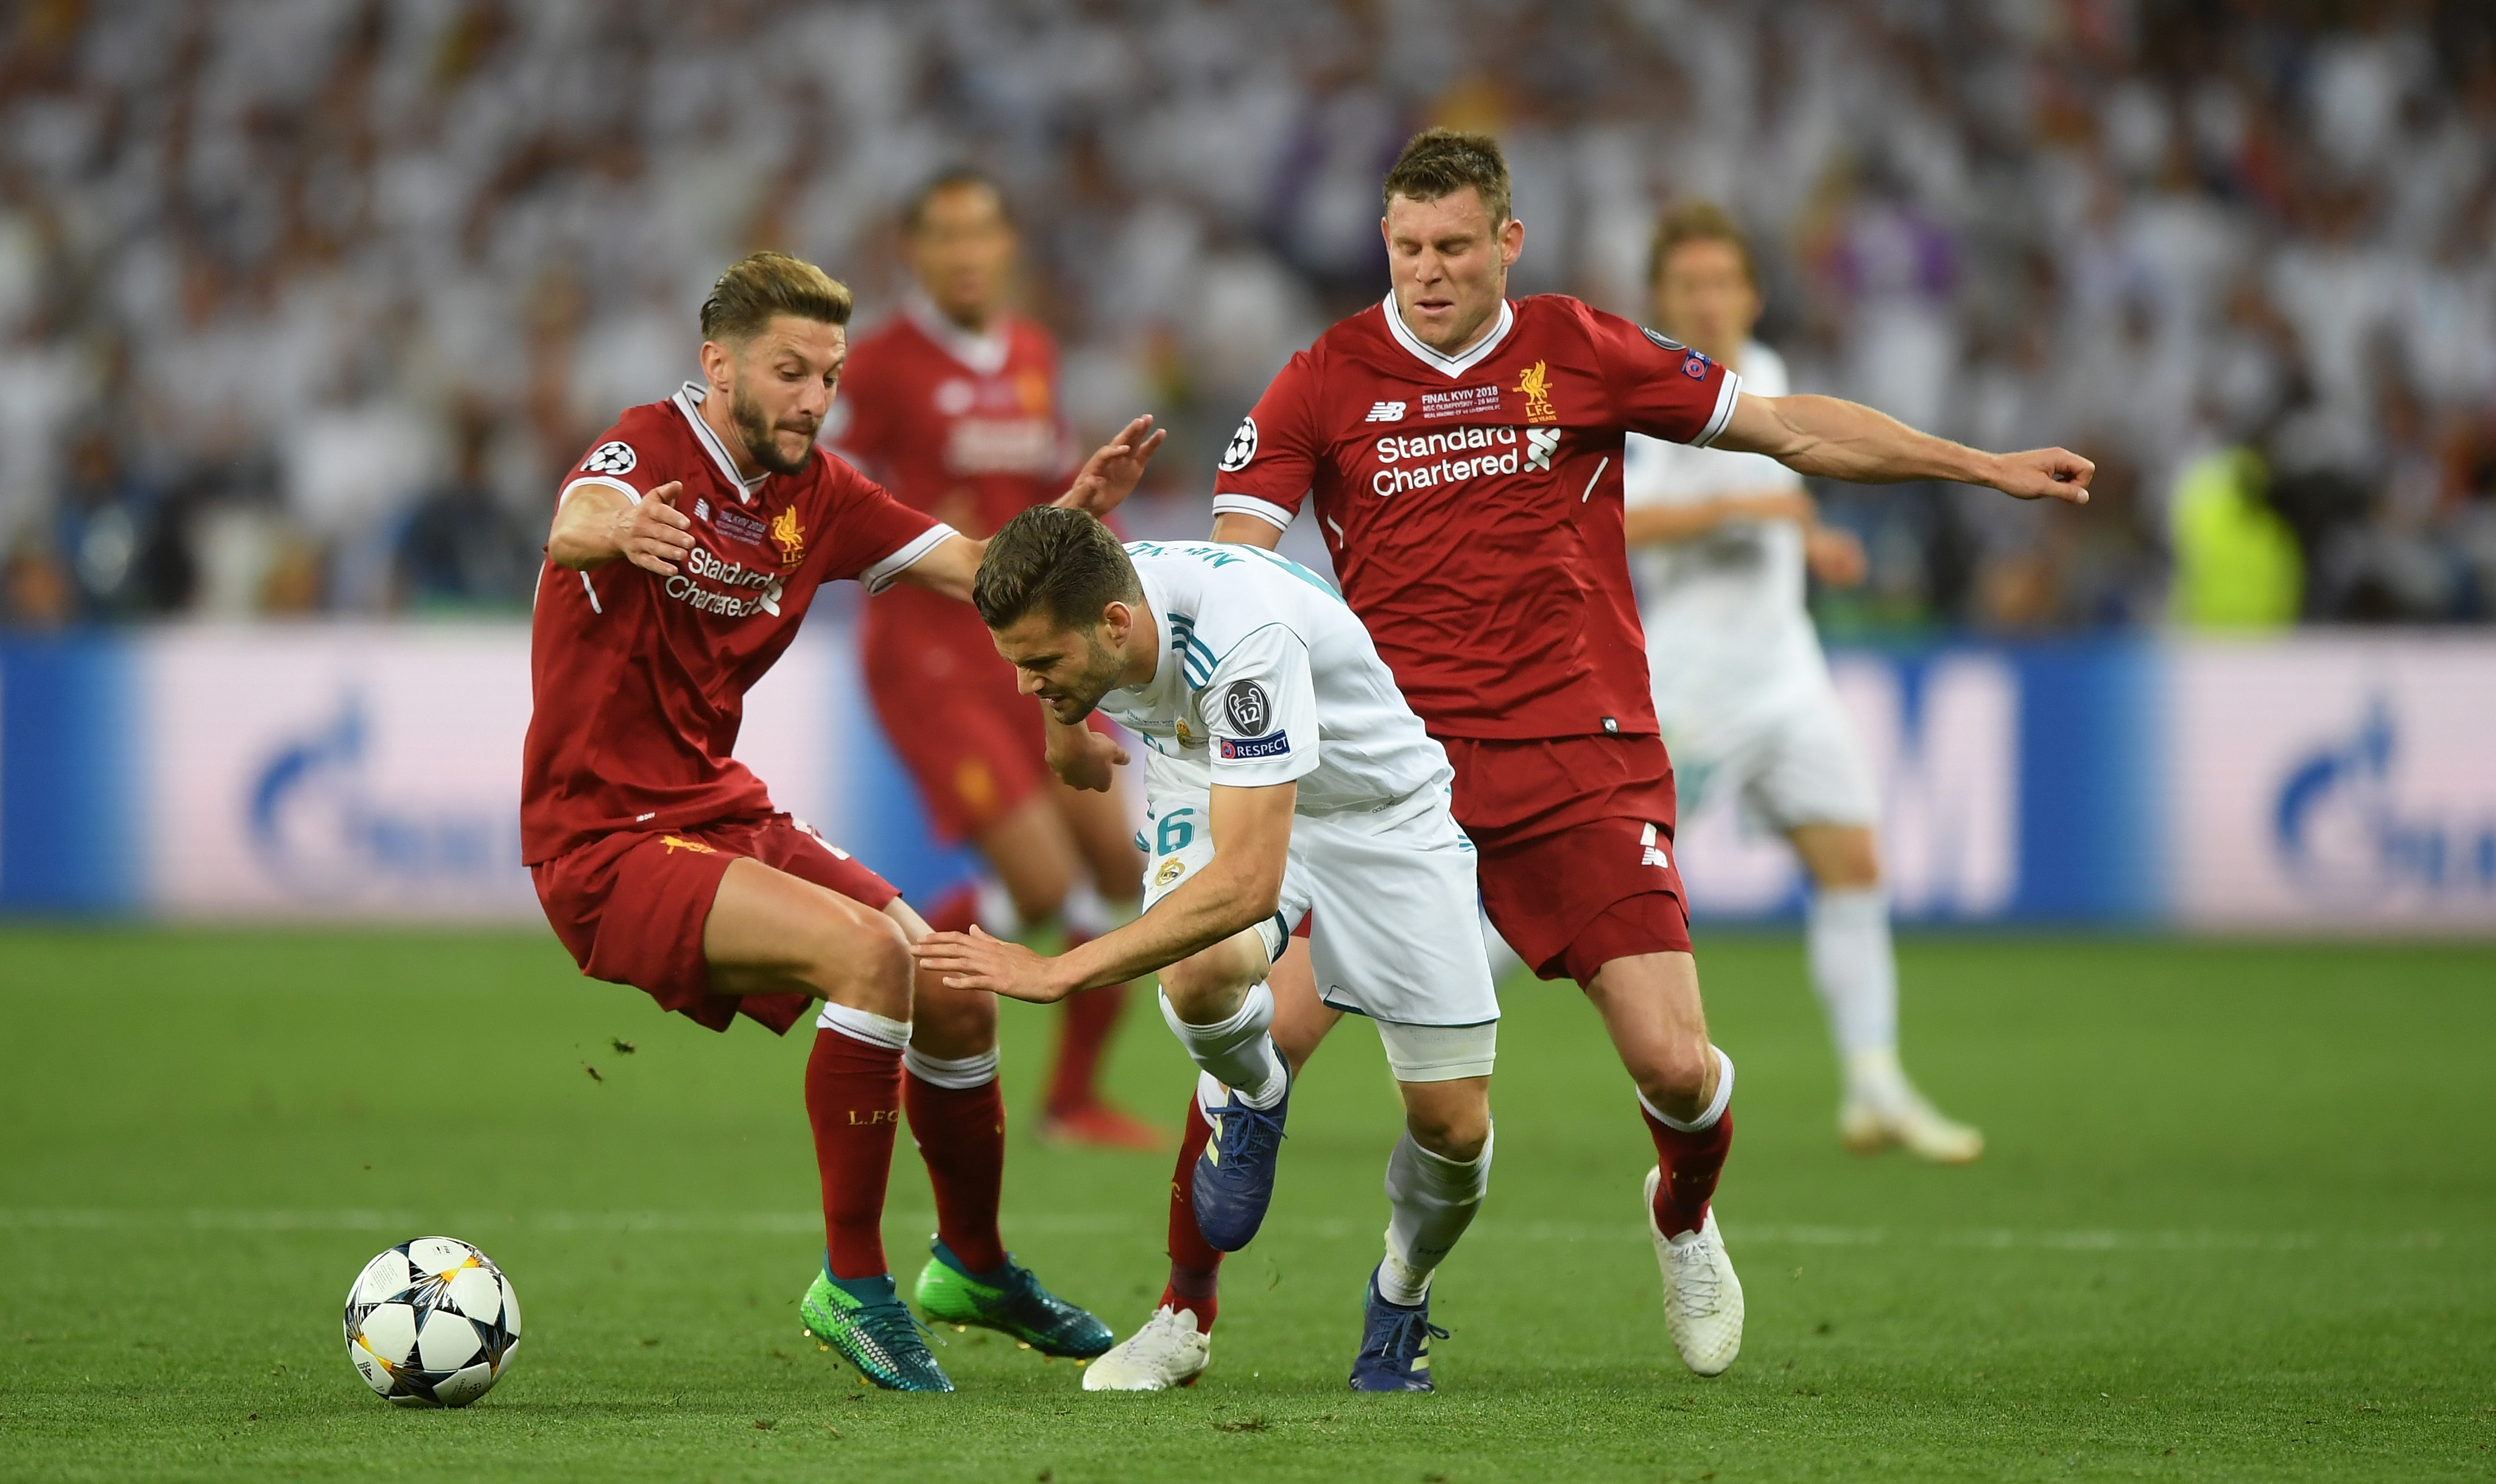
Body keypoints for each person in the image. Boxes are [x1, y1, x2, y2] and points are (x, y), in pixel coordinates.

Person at [1161, 129, 2088, 1378]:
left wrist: (1975, 465)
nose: (1426, 271)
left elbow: (1790, 432)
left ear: (1507, 243)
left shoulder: (1576, 349)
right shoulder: (1324, 378)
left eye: (1451, 247)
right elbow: (1238, 567)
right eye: (1405, 247)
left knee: (1672, 1063)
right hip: (1400, 777)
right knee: (1252, 1033)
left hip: (1579, 759)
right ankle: (1179, 1312)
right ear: (1384, 241)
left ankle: (1682, 1211)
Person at [521, 250, 1164, 1391]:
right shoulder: (649, 452)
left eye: (829, 374)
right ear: (716, 366)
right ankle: (853, 1283)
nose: (813, 399)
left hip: (716, 807)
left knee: (958, 978)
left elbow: (977, 569)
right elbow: (579, 511)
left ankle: (971, 1264)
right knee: (870, 958)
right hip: (603, 841)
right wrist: (619, 531)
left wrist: (1064, 520)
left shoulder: (818, 495)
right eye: (788, 372)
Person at [913, 508, 1500, 1394]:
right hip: (1207, 767)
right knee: (1199, 973)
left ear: (1116, 624)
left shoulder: (1244, 643)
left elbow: (1250, 882)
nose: (1031, 683)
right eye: (1019, 666)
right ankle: (1244, 1126)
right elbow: (1061, 650)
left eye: (1044, 667)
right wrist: (1064, 727)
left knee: (1452, 1126)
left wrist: (1060, 968)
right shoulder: (1092, 606)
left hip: (1384, 819)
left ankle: (1401, 1292)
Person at [1621, 201, 1983, 1164]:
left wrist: (1809, 534)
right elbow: (1621, 526)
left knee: (1853, 865)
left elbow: (1780, 489)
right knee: (1595, 892)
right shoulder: (1653, 395)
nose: (1707, 301)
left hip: (1785, 675)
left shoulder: (1766, 375)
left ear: (1754, 291)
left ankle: (1874, 1086)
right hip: (1692, 690)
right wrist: (1741, 503)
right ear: (1661, 298)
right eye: (1687, 285)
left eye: (1721, 282)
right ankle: (1422, 986)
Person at [837, 170, 1158, 1150]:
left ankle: (1069, 1096)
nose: (967, 252)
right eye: (946, 235)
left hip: (1032, 648)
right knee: (1043, 876)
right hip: (930, 661)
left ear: (1008, 244)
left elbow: (1043, 493)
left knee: (1120, 868)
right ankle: (899, 1002)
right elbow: (830, 482)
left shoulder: (1030, 354)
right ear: (916, 252)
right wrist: (925, 533)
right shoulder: (883, 365)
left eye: (984, 231)